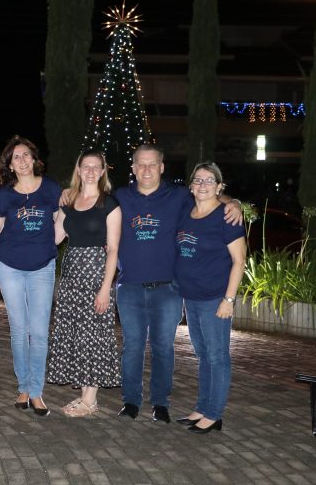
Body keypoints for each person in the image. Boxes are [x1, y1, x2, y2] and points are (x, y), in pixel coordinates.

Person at [114, 144, 242, 423]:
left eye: (152, 164)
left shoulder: (179, 196)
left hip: (168, 288)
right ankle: (131, 401)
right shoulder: (120, 196)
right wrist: (67, 193)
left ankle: (160, 403)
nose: (146, 170)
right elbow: (91, 201)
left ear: (162, 167)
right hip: (130, 286)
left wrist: (234, 202)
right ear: (133, 168)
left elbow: (209, 193)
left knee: (163, 347)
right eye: (140, 164)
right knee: (132, 347)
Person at [47, 151, 122, 417]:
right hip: (71, 275)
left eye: (95, 167)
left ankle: (90, 400)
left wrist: (105, 288)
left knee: (94, 334)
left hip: (96, 274)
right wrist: (54, 207)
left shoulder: (109, 204)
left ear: (102, 172)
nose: (90, 171)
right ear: (78, 169)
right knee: (77, 333)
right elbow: (56, 237)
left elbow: (113, 249)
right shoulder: (69, 201)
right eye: (85, 166)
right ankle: (83, 395)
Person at [174, 162, 246, 434]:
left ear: (219, 187)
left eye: (209, 180)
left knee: (217, 357)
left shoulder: (226, 217)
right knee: (203, 355)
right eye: (198, 180)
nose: (203, 185)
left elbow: (239, 261)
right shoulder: (186, 212)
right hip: (191, 296)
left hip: (214, 298)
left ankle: (214, 414)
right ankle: (202, 407)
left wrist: (229, 300)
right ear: (191, 186)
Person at [0, 136, 61, 416]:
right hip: (9, 265)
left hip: (42, 267)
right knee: (19, 329)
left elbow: (61, 219)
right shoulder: (4, 195)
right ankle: (23, 387)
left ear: (34, 159)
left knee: (40, 331)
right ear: (10, 165)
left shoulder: (51, 189)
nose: (21, 160)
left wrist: (50, 244)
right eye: (15, 157)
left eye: (25, 155)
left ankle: (36, 391)